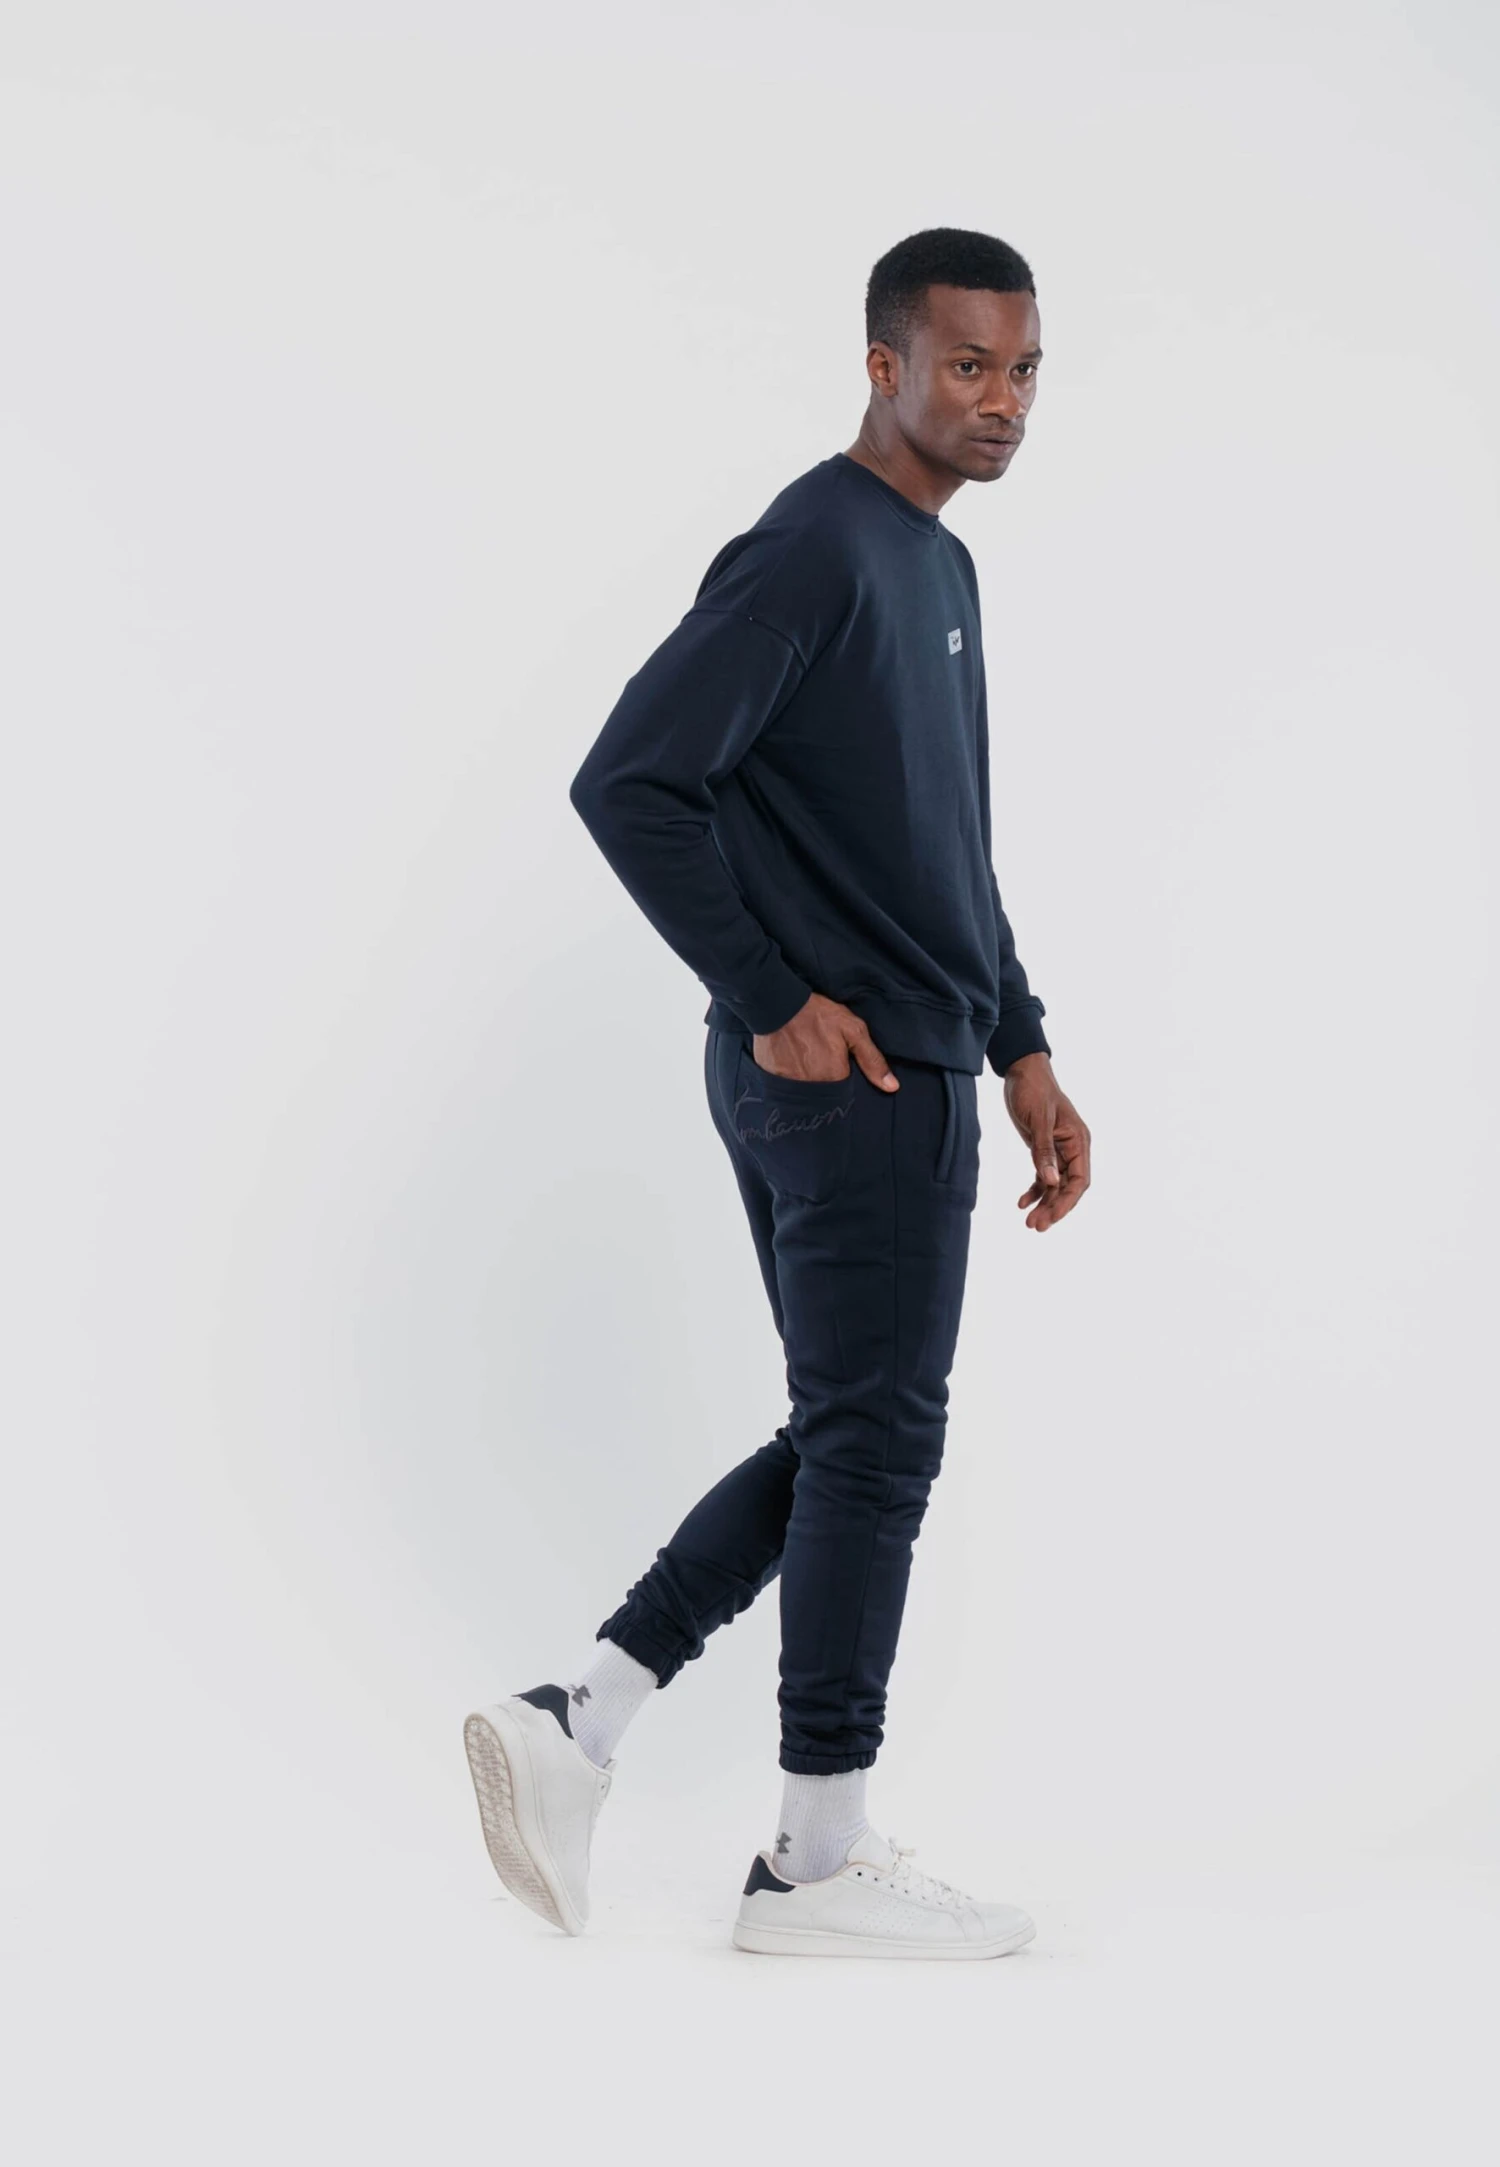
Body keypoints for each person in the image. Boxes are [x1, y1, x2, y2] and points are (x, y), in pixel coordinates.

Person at [464, 226, 1092, 1959]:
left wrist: (1025, 1044)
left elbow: (946, 845)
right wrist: (771, 994)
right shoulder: (818, 547)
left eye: (1025, 370)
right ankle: (815, 1861)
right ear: (884, 365)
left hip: (911, 1062)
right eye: (967, 365)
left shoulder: (935, 566)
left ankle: (581, 1720)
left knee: (846, 1432)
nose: (1002, 400)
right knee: (876, 1445)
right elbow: (631, 777)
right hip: (855, 1079)